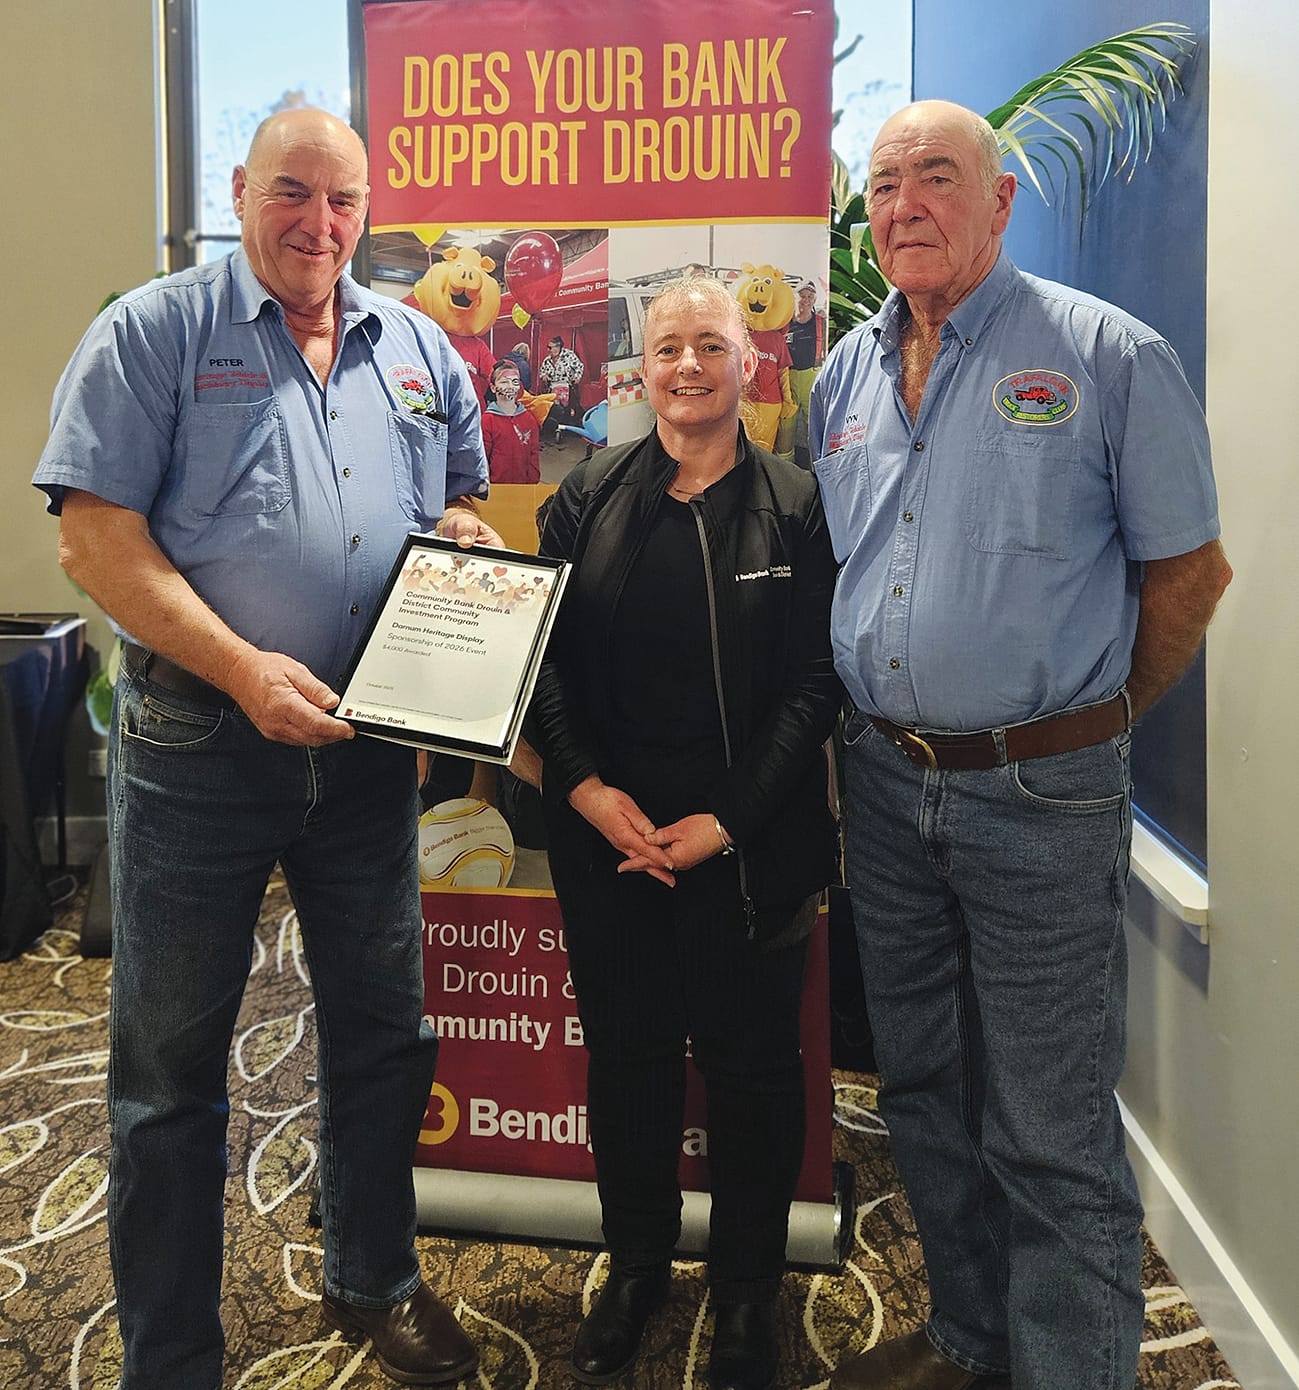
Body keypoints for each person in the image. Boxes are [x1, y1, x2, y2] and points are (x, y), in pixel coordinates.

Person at [32, 108, 503, 1390]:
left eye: (345, 203)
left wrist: (463, 542)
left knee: (384, 1032)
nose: (321, 226)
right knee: (172, 1066)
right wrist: (243, 671)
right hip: (199, 747)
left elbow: (461, 491)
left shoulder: (414, 342)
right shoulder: (154, 334)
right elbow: (95, 539)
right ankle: (171, 1352)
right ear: (240, 191)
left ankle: (373, 1276)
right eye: (293, 193)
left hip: (362, 757)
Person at [810, 101, 1232, 1390]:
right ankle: (972, 1339)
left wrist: (1084, 727)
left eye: (938, 177)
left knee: (1052, 1134)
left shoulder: (1109, 356)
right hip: (882, 789)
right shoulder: (842, 376)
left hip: (1042, 796)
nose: (903, 207)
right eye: (883, 186)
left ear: (1000, 201)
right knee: (925, 1089)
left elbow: (1191, 577)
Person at [529, 276, 841, 1390]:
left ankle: (749, 1290)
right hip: (610, 839)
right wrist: (585, 788)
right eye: (667, 349)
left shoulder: (799, 503)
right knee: (630, 1060)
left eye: (712, 344)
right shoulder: (589, 494)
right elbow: (543, 663)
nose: (688, 367)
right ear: (639, 368)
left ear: (749, 363)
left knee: (755, 1070)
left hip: (745, 847)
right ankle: (636, 1264)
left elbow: (817, 684)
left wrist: (727, 820)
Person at [482, 357, 542, 483]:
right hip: (497, 487)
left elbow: (534, 453)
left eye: (515, 382)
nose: (510, 386)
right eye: (504, 382)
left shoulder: (529, 419)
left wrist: (532, 482)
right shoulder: (487, 420)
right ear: (493, 387)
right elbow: (483, 457)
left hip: (525, 488)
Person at [785, 280, 824, 466]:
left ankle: (815, 466)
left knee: (813, 424)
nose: (806, 300)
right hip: (789, 377)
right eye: (802, 296)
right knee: (787, 423)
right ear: (795, 297)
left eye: (810, 297)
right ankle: (784, 468)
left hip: (811, 375)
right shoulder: (785, 322)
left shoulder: (820, 323)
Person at [537, 333, 585, 443]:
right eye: (548, 347)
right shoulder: (547, 360)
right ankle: (556, 428)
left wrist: (577, 377)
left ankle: (566, 429)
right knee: (555, 408)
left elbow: (579, 366)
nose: (549, 350)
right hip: (552, 387)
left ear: (558, 347)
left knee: (567, 409)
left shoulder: (569, 355)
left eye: (551, 347)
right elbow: (542, 371)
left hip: (567, 385)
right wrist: (544, 376)